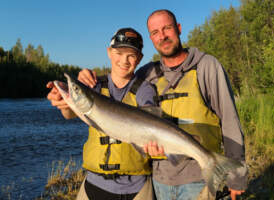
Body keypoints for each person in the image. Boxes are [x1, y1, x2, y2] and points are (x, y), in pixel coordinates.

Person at [78, 9, 247, 200]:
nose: (162, 36)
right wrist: (87, 78)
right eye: (155, 32)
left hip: (198, 179)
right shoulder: (146, 73)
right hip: (160, 181)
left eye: (167, 28)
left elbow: (230, 120)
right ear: (151, 38)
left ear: (179, 28)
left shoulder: (207, 66)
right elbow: (115, 95)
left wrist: (236, 177)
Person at [46, 28, 156, 200]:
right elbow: (69, 114)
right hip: (94, 186)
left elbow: (150, 113)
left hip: (136, 189)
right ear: (109, 53)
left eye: (131, 56)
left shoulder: (145, 89)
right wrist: (63, 101)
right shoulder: (94, 85)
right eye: (119, 53)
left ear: (139, 58)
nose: (124, 61)